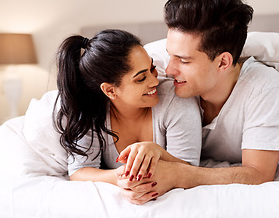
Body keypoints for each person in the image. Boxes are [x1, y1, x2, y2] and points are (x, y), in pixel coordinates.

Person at [116, 0, 279, 204]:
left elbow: (259, 174)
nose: (169, 70)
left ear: (223, 63)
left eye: (184, 60)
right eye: (170, 55)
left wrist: (178, 174)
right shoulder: (154, 74)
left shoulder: (261, 86)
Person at [53, 29, 202, 188]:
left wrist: (158, 152)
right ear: (110, 90)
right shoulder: (91, 108)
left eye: (152, 68)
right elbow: (79, 171)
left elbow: (189, 169)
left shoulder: (175, 100)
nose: (155, 81)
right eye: (141, 78)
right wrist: (125, 177)